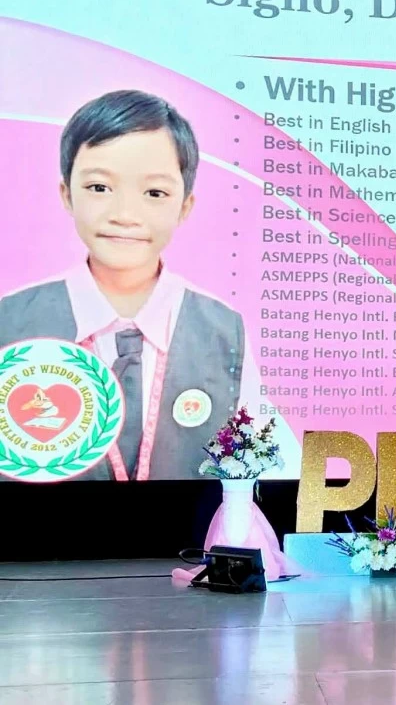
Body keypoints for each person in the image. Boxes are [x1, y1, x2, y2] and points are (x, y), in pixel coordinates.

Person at [0, 89, 286, 481]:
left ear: (184, 206)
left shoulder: (224, 332)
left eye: (154, 193)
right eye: (99, 188)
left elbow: (256, 469)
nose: (124, 214)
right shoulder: (10, 323)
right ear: (67, 194)